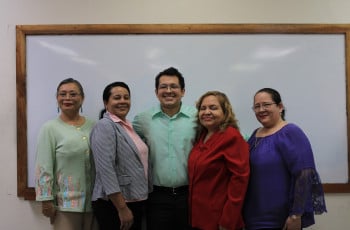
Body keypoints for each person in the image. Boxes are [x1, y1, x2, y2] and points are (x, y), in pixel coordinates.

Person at [243, 88, 327, 230]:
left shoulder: (291, 132)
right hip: (252, 215)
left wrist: (296, 215)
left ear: (280, 107)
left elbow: (304, 173)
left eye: (266, 105)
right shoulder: (255, 134)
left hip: (280, 217)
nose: (261, 109)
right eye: (257, 106)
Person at [133, 67, 197, 230]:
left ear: (183, 91)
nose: (168, 91)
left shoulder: (197, 117)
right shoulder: (143, 120)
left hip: (189, 195)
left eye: (174, 86)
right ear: (156, 92)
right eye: (163, 87)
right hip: (156, 197)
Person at [35, 78, 98, 230]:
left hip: (95, 204)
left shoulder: (94, 126)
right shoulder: (49, 128)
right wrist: (46, 199)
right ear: (57, 99)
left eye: (73, 94)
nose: (67, 98)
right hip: (66, 206)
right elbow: (43, 166)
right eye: (62, 94)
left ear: (82, 98)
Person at [90, 81, 150, 230]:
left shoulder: (127, 126)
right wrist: (122, 208)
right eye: (117, 97)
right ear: (106, 102)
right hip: (114, 204)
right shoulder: (105, 126)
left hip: (134, 199)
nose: (123, 101)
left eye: (126, 97)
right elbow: (106, 170)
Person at [188, 91, 250, 230]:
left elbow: (239, 180)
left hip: (220, 220)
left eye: (213, 108)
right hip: (199, 218)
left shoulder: (231, 136)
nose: (207, 112)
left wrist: (228, 220)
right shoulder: (202, 135)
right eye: (203, 108)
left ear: (225, 111)